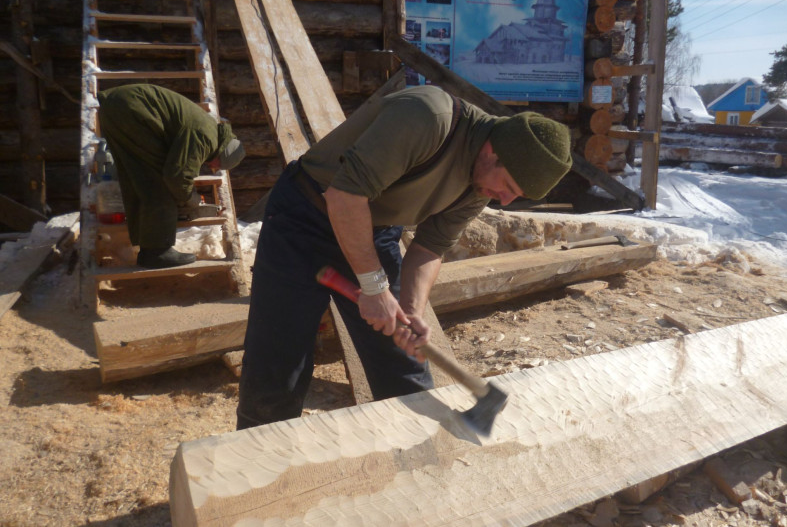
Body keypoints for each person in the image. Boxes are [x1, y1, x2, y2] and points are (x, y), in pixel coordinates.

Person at [237, 85, 571, 429]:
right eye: (509, 186)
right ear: (493, 150)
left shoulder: (480, 184)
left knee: (403, 365)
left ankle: (417, 459)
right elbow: (345, 197)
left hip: (374, 229)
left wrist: (411, 310)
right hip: (306, 217)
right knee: (278, 362)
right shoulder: (428, 118)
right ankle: (253, 466)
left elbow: (430, 247)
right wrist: (375, 287)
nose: (504, 201)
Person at [97, 84, 246, 269]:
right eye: (217, 165)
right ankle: (157, 252)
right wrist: (189, 198)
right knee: (161, 181)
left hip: (116, 107)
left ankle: (147, 247)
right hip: (132, 109)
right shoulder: (206, 136)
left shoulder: (207, 130)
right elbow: (176, 175)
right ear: (222, 154)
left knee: (138, 177)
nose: (212, 167)